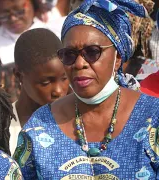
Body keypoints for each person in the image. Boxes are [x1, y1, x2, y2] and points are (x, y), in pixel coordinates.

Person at [13, 0, 159, 179]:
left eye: (92, 52)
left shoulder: (153, 117)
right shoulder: (39, 125)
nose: (79, 64)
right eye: (69, 55)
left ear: (118, 57)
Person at [10, 28, 69, 154]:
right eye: (46, 83)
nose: (58, 91)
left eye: (64, 78)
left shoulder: (77, 119)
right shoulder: (3, 129)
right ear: (19, 76)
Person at [0, 0, 60, 66]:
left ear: (33, 4)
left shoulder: (56, 33)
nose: (13, 18)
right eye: (4, 14)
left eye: (19, 11)